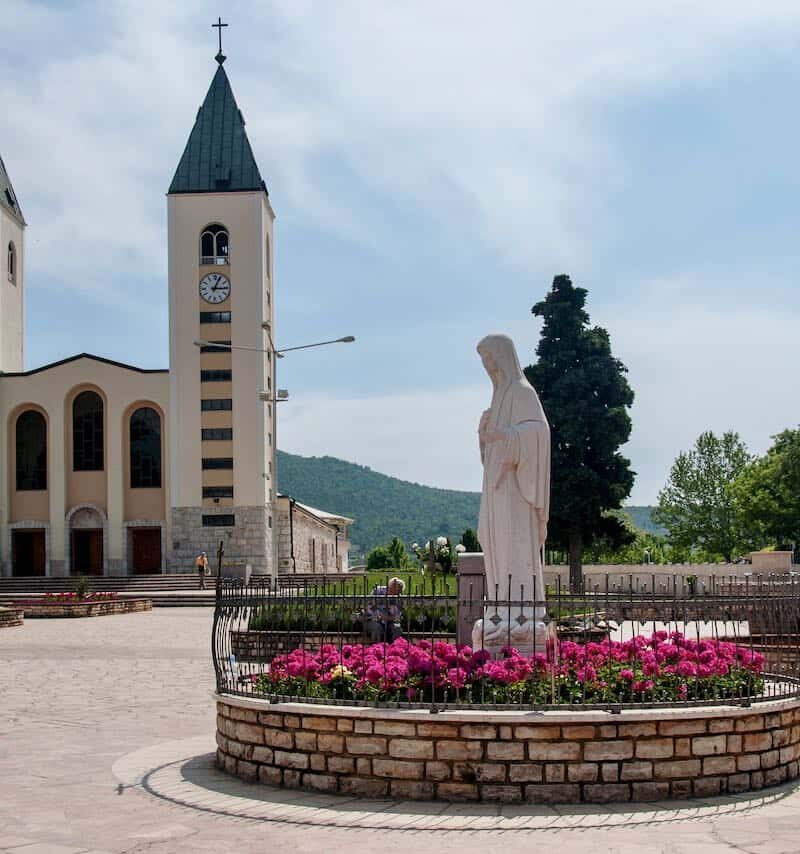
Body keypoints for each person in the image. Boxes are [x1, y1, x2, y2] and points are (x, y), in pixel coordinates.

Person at [472, 334, 552, 655]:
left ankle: (523, 613)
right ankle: (498, 612)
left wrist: (502, 436)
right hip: (495, 493)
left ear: (504, 358)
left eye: (491, 359)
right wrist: (483, 436)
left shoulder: (522, 392)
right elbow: (489, 453)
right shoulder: (497, 398)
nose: (488, 367)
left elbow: (539, 434)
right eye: (484, 362)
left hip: (517, 494)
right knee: (495, 546)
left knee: (516, 548)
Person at [366, 577, 405, 642]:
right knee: (377, 628)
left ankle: (395, 649)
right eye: (392, 591)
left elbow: (398, 615)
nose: (393, 594)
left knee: (397, 628)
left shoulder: (399, 597)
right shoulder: (377, 591)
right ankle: (377, 649)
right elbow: (368, 607)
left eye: (397, 593)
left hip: (390, 621)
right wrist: (379, 616)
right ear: (389, 586)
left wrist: (390, 618)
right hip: (374, 620)